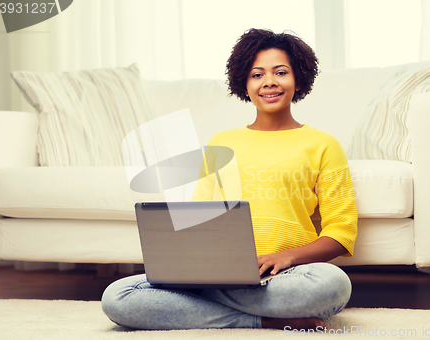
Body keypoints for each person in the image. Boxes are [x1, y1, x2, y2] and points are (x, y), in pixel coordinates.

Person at [101, 28, 358, 331]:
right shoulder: (221, 142)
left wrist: (287, 257)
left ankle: (198, 308)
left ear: (298, 79)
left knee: (334, 286)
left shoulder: (323, 144)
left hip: (286, 277)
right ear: (244, 83)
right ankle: (258, 319)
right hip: (218, 273)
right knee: (117, 296)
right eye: (257, 74)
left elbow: (341, 233)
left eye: (280, 72)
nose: (269, 82)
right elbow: (196, 222)